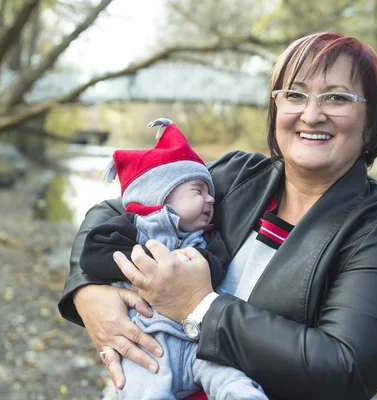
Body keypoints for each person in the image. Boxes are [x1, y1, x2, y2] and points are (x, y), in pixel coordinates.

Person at [58, 31, 377, 400]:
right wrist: (88, 292)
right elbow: (116, 209)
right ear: (276, 109)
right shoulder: (236, 176)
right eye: (295, 95)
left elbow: (345, 369)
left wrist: (198, 306)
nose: (312, 114)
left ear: (371, 120)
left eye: (337, 98)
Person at [78, 118, 267, 399]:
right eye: (198, 191)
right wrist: (140, 266)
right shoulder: (131, 227)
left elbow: (216, 269)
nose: (211, 200)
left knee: (230, 377)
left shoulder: (208, 239)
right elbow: (93, 254)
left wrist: (190, 269)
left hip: (196, 344)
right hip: (146, 344)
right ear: (162, 194)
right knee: (143, 390)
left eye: (210, 193)